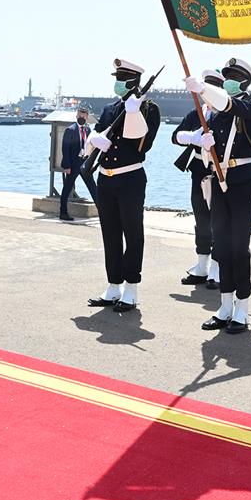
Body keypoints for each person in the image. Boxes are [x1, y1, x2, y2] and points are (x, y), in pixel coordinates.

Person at [184, 58, 251, 334]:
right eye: (226, 76)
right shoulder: (215, 113)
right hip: (219, 181)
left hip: (242, 180)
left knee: (239, 246)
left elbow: (232, 106)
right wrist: (204, 145)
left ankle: (242, 307)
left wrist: (204, 90)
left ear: (244, 81)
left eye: (233, 77)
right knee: (221, 243)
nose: (228, 80)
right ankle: (225, 305)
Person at [85, 59, 161, 312]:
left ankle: (131, 288)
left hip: (130, 178)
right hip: (105, 178)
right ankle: (113, 285)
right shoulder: (109, 108)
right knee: (110, 233)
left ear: (133, 81)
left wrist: (133, 112)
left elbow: (141, 142)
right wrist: (94, 141)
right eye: (116, 78)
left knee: (132, 233)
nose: (117, 83)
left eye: (121, 79)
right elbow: (95, 137)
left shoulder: (149, 109)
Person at [171, 69, 225, 288]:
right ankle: (202, 264)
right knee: (201, 219)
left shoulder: (225, 114)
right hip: (198, 172)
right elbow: (176, 136)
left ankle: (217, 267)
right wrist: (192, 137)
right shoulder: (196, 114)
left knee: (218, 222)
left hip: (219, 173)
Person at [58, 105, 98, 221]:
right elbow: (65, 149)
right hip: (73, 163)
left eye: (84, 117)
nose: (82, 118)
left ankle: (103, 212)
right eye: (80, 116)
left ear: (87, 118)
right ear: (76, 116)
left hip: (84, 163)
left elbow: (90, 146)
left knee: (93, 188)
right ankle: (63, 212)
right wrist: (66, 166)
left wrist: (90, 163)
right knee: (67, 188)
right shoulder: (70, 130)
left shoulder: (88, 130)